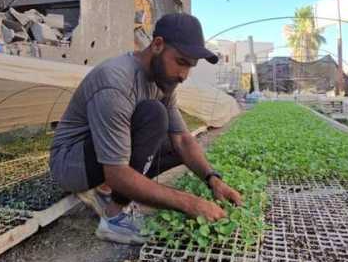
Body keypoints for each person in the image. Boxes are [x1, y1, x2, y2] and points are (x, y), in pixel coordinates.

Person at [50, 13, 242, 245]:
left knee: (175, 145)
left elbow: (182, 139)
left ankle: (105, 190)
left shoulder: (163, 81)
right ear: (158, 45)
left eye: (190, 67)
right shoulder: (117, 81)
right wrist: (190, 203)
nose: (184, 75)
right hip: (71, 164)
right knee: (154, 115)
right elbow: (118, 171)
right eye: (181, 62)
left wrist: (213, 180)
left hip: (101, 160)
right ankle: (114, 218)